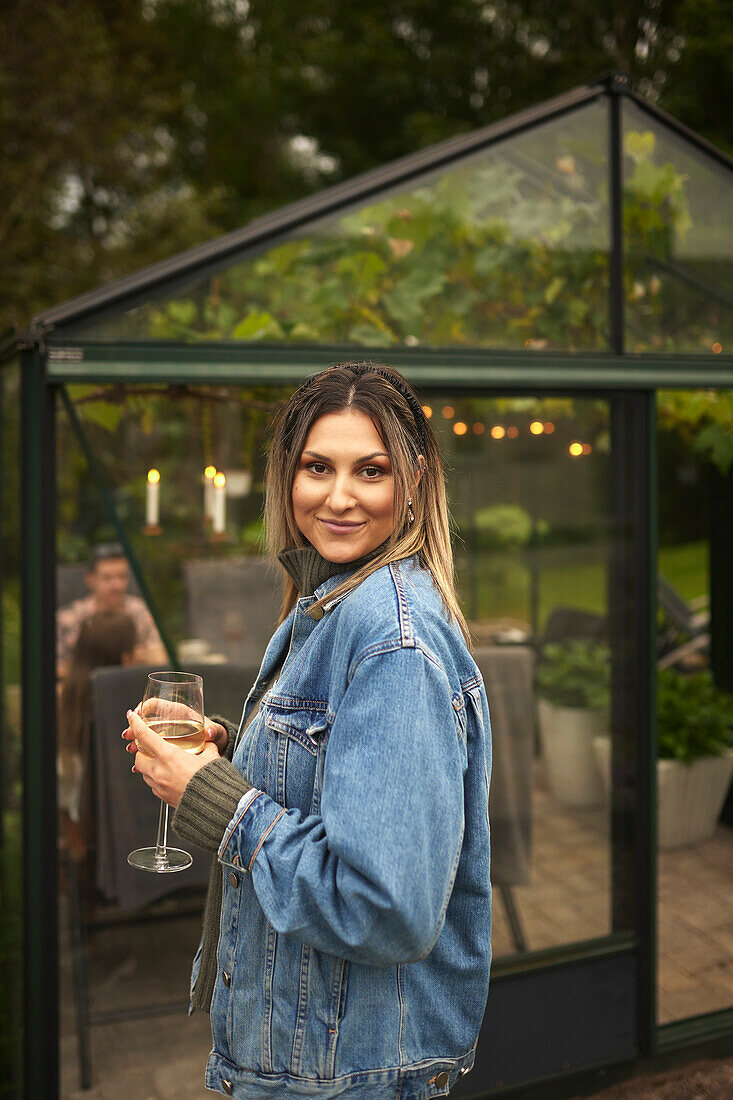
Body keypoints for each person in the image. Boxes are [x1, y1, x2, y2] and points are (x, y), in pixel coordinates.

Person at [123, 362, 492, 1100]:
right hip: (313, 1060)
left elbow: (382, 908)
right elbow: (339, 775)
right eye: (317, 467)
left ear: (414, 480)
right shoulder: (331, 598)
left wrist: (216, 798)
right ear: (286, 477)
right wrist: (232, 748)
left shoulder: (390, 637)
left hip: (344, 1075)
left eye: (371, 470)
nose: (339, 496)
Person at [58, 610, 137, 862]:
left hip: (82, 835)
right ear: (126, 659)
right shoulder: (122, 710)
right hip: (118, 844)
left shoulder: (69, 706)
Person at [57, 542, 167, 680]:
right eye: (107, 578)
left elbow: (159, 658)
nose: (116, 585)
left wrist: (140, 657)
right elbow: (58, 668)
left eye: (122, 576)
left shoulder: (139, 611)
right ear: (90, 579)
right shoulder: (69, 617)